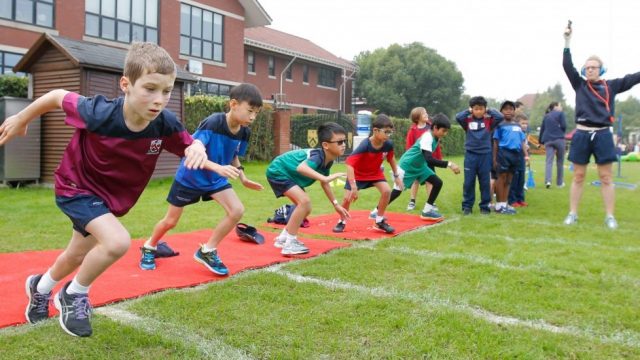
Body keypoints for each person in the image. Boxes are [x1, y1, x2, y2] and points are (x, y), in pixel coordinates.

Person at [0, 42, 209, 337]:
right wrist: (22, 118)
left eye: (167, 90)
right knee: (116, 242)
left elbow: (189, 141)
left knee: (75, 255)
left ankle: (40, 287)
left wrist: (197, 146)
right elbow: (57, 96)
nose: (159, 99)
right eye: (150, 88)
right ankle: (73, 294)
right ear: (126, 84)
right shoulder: (98, 112)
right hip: (75, 187)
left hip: (107, 200)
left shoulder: (163, 124)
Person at [139, 83, 264, 273]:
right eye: (250, 111)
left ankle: (207, 250)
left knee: (236, 210)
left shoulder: (244, 131)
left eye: (257, 113)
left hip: (215, 178)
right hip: (190, 177)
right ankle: (150, 246)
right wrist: (218, 167)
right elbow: (194, 150)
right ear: (233, 104)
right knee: (170, 221)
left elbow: (232, 155)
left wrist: (243, 178)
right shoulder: (213, 122)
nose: (253, 117)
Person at [562, 24, 640, 229]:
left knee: (606, 177)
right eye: (587, 67)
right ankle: (572, 213)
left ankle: (610, 216)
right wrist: (567, 41)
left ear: (601, 69)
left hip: (604, 134)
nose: (589, 70)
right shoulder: (579, 84)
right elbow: (566, 65)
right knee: (578, 176)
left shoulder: (611, 85)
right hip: (582, 133)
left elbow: (632, 78)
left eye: (593, 67)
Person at [266, 122, 350, 255]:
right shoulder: (317, 156)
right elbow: (302, 168)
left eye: (345, 141)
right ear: (325, 145)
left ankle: (283, 238)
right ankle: (290, 243)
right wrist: (325, 178)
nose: (344, 145)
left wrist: (336, 205)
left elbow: (324, 183)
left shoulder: (328, 160)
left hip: (289, 174)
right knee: (304, 202)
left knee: (306, 208)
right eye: (339, 142)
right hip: (278, 171)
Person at [332, 114, 403, 234]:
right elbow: (349, 164)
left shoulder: (388, 144)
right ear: (375, 130)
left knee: (386, 191)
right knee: (347, 198)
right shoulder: (365, 145)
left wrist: (397, 177)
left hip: (375, 173)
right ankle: (341, 221)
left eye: (390, 132)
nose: (388, 135)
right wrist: (353, 186)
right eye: (386, 132)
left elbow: (391, 159)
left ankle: (379, 221)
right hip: (358, 175)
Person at [386, 113, 460, 219]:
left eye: (446, 131)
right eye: (443, 131)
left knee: (437, 182)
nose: (445, 133)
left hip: (420, 166)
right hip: (408, 165)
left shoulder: (435, 136)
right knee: (397, 191)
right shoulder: (427, 137)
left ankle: (427, 211)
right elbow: (429, 159)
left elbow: (428, 159)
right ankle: (376, 211)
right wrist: (449, 164)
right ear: (435, 128)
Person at [456, 96, 504, 215]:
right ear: (472, 109)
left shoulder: (489, 122)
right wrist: (468, 111)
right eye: (476, 109)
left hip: (485, 156)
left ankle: (484, 207)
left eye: (481, 109)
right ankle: (467, 207)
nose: (478, 111)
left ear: (484, 109)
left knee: (484, 182)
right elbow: (458, 117)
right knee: (468, 182)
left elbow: (500, 117)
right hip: (470, 155)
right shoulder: (467, 121)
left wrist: (489, 110)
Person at [492, 101, 527, 214]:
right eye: (505, 109)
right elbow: (496, 142)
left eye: (511, 109)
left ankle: (505, 203)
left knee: (509, 180)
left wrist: (526, 155)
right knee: (501, 178)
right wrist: (494, 158)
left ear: (514, 111)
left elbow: (522, 141)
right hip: (504, 153)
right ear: (501, 111)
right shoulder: (499, 125)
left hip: (516, 155)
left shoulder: (517, 125)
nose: (508, 111)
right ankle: (499, 205)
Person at [404, 107, 442, 211]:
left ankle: (431, 202)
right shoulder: (412, 130)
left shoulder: (431, 127)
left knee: (430, 181)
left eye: (426, 113)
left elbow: (436, 145)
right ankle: (412, 201)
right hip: (417, 161)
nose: (426, 114)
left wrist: (437, 158)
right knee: (415, 181)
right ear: (417, 117)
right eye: (423, 113)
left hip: (429, 159)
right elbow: (409, 146)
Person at [539, 102, 567, 188]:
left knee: (549, 161)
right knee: (560, 162)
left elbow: (542, 129)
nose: (561, 107)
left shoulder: (546, 116)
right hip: (559, 139)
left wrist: (540, 141)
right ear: (555, 106)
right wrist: (561, 131)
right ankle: (559, 183)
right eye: (560, 105)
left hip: (548, 140)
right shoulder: (560, 114)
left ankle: (548, 181)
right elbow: (564, 126)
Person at [509, 112, 530, 207]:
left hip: (522, 158)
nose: (525, 125)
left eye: (526, 123)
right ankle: (512, 200)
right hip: (515, 157)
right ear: (517, 123)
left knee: (521, 179)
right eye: (523, 123)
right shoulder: (514, 133)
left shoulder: (524, 133)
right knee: (514, 180)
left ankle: (520, 199)